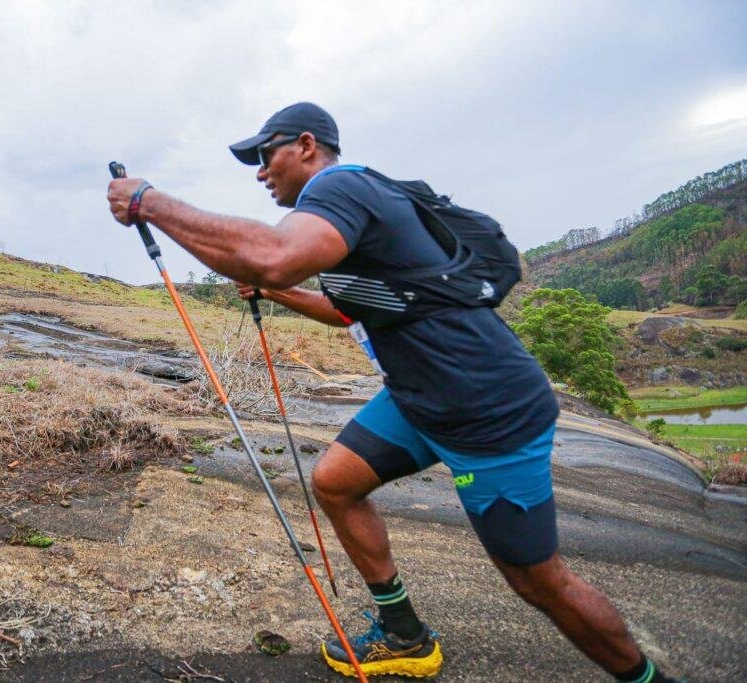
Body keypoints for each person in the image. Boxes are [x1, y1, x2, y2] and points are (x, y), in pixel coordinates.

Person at [106, 102, 677, 682]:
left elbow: (274, 257)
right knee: (335, 482)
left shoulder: (339, 187)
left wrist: (148, 200)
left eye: (264, 154)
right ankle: (403, 632)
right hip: (420, 398)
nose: (258, 172)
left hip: (487, 410)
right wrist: (272, 293)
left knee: (538, 580)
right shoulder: (354, 209)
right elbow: (343, 307)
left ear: (307, 146)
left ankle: (649, 680)